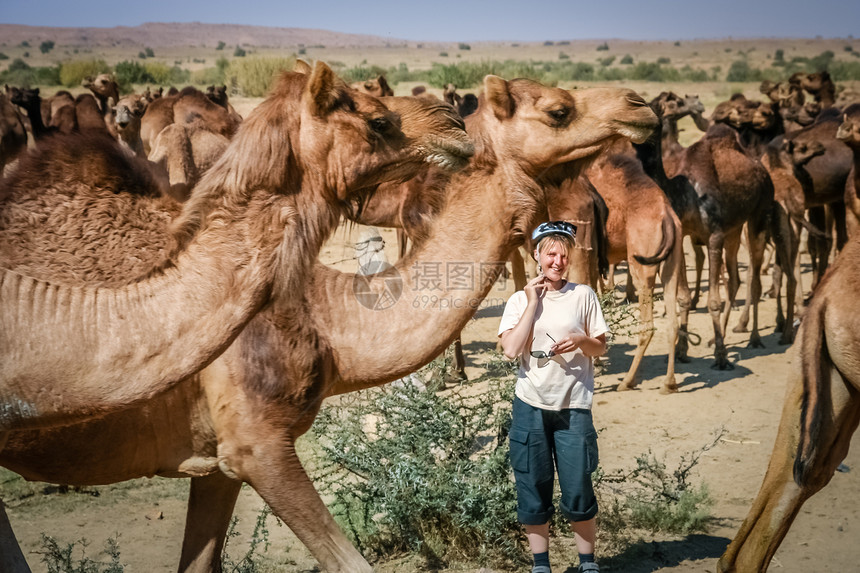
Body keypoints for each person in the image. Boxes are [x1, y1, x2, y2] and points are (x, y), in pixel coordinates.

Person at [497, 220, 608, 573]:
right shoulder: (518, 300)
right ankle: (541, 566)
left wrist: (579, 340)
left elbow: (599, 347)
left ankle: (587, 563)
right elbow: (511, 349)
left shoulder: (584, 295)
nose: (557, 262)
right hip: (530, 405)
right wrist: (533, 302)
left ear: (570, 257)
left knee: (578, 486)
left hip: (573, 406)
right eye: (550, 254)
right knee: (533, 486)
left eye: (563, 255)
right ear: (536, 256)